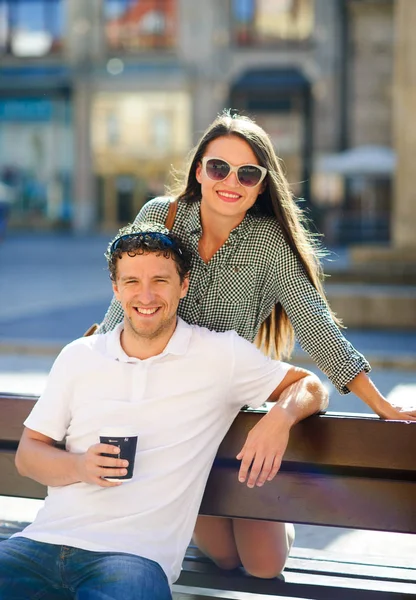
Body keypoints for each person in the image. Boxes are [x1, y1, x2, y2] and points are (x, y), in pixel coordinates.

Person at [97, 110, 416, 579]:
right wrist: (91, 370)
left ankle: (270, 523)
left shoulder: (269, 246)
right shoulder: (159, 215)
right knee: (224, 558)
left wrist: (380, 404)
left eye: (248, 173)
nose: (231, 181)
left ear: (262, 184)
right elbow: (124, 304)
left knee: (264, 565)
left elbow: (319, 329)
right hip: (165, 416)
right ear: (199, 170)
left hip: (228, 408)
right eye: (218, 167)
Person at [0, 223, 328, 600]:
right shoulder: (79, 356)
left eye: (160, 280)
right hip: (39, 545)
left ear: (183, 286)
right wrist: (79, 467)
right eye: (132, 282)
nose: (146, 295)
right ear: (116, 289)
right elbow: (29, 456)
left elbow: (310, 385)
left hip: (132, 557)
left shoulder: (218, 355)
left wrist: (280, 418)